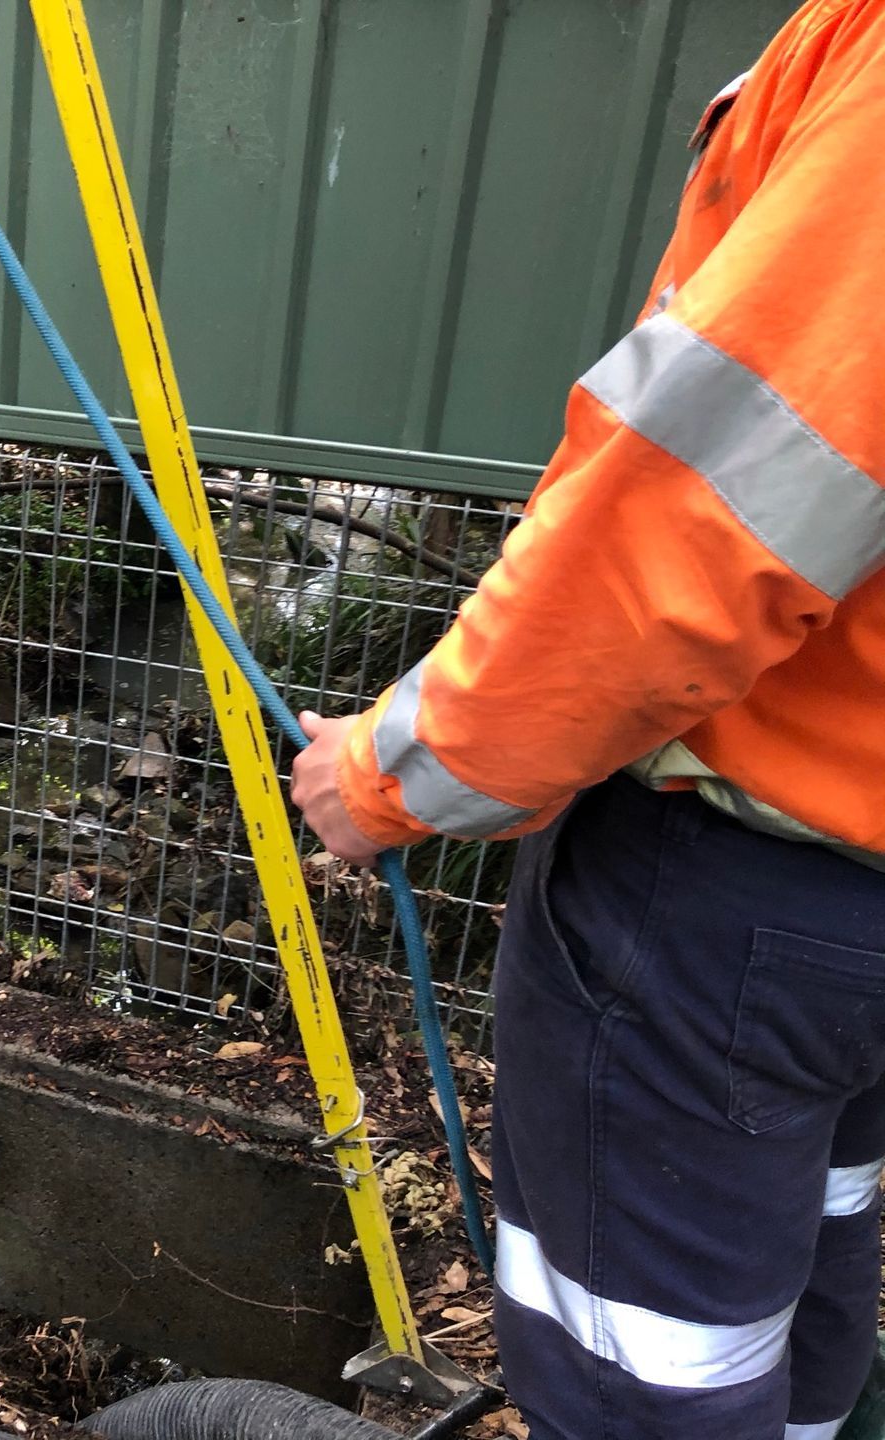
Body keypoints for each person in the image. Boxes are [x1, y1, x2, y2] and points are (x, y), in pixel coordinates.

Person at [289, 3, 885, 1435]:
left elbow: (696, 520)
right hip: (846, 920)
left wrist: (389, 778)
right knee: (798, 1291)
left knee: (646, 1374)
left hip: (738, 893)